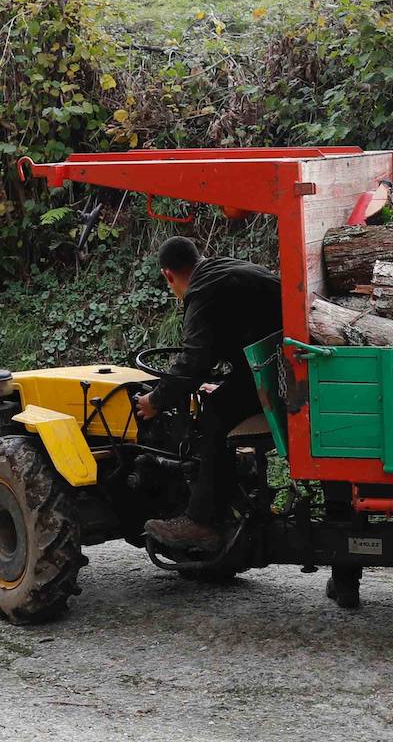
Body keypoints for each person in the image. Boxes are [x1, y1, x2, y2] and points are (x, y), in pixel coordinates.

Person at [136, 236, 282, 552]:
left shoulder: (202, 292)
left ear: (168, 275)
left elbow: (193, 360)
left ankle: (201, 520)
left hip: (279, 372)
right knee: (219, 397)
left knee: (214, 412)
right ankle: (239, 496)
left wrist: (155, 401)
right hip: (279, 359)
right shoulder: (222, 271)